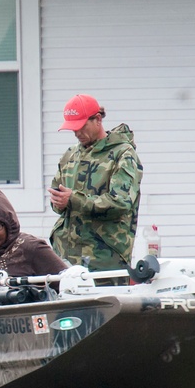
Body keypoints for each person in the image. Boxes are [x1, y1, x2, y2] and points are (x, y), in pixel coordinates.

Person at [47, 94, 142, 283]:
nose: (77, 133)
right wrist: (58, 202)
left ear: (97, 119)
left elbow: (121, 203)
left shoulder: (122, 154)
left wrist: (73, 199)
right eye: (72, 128)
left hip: (104, 260)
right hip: (67, 258)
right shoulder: (70, 156)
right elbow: (58, 198)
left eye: (81, 126)